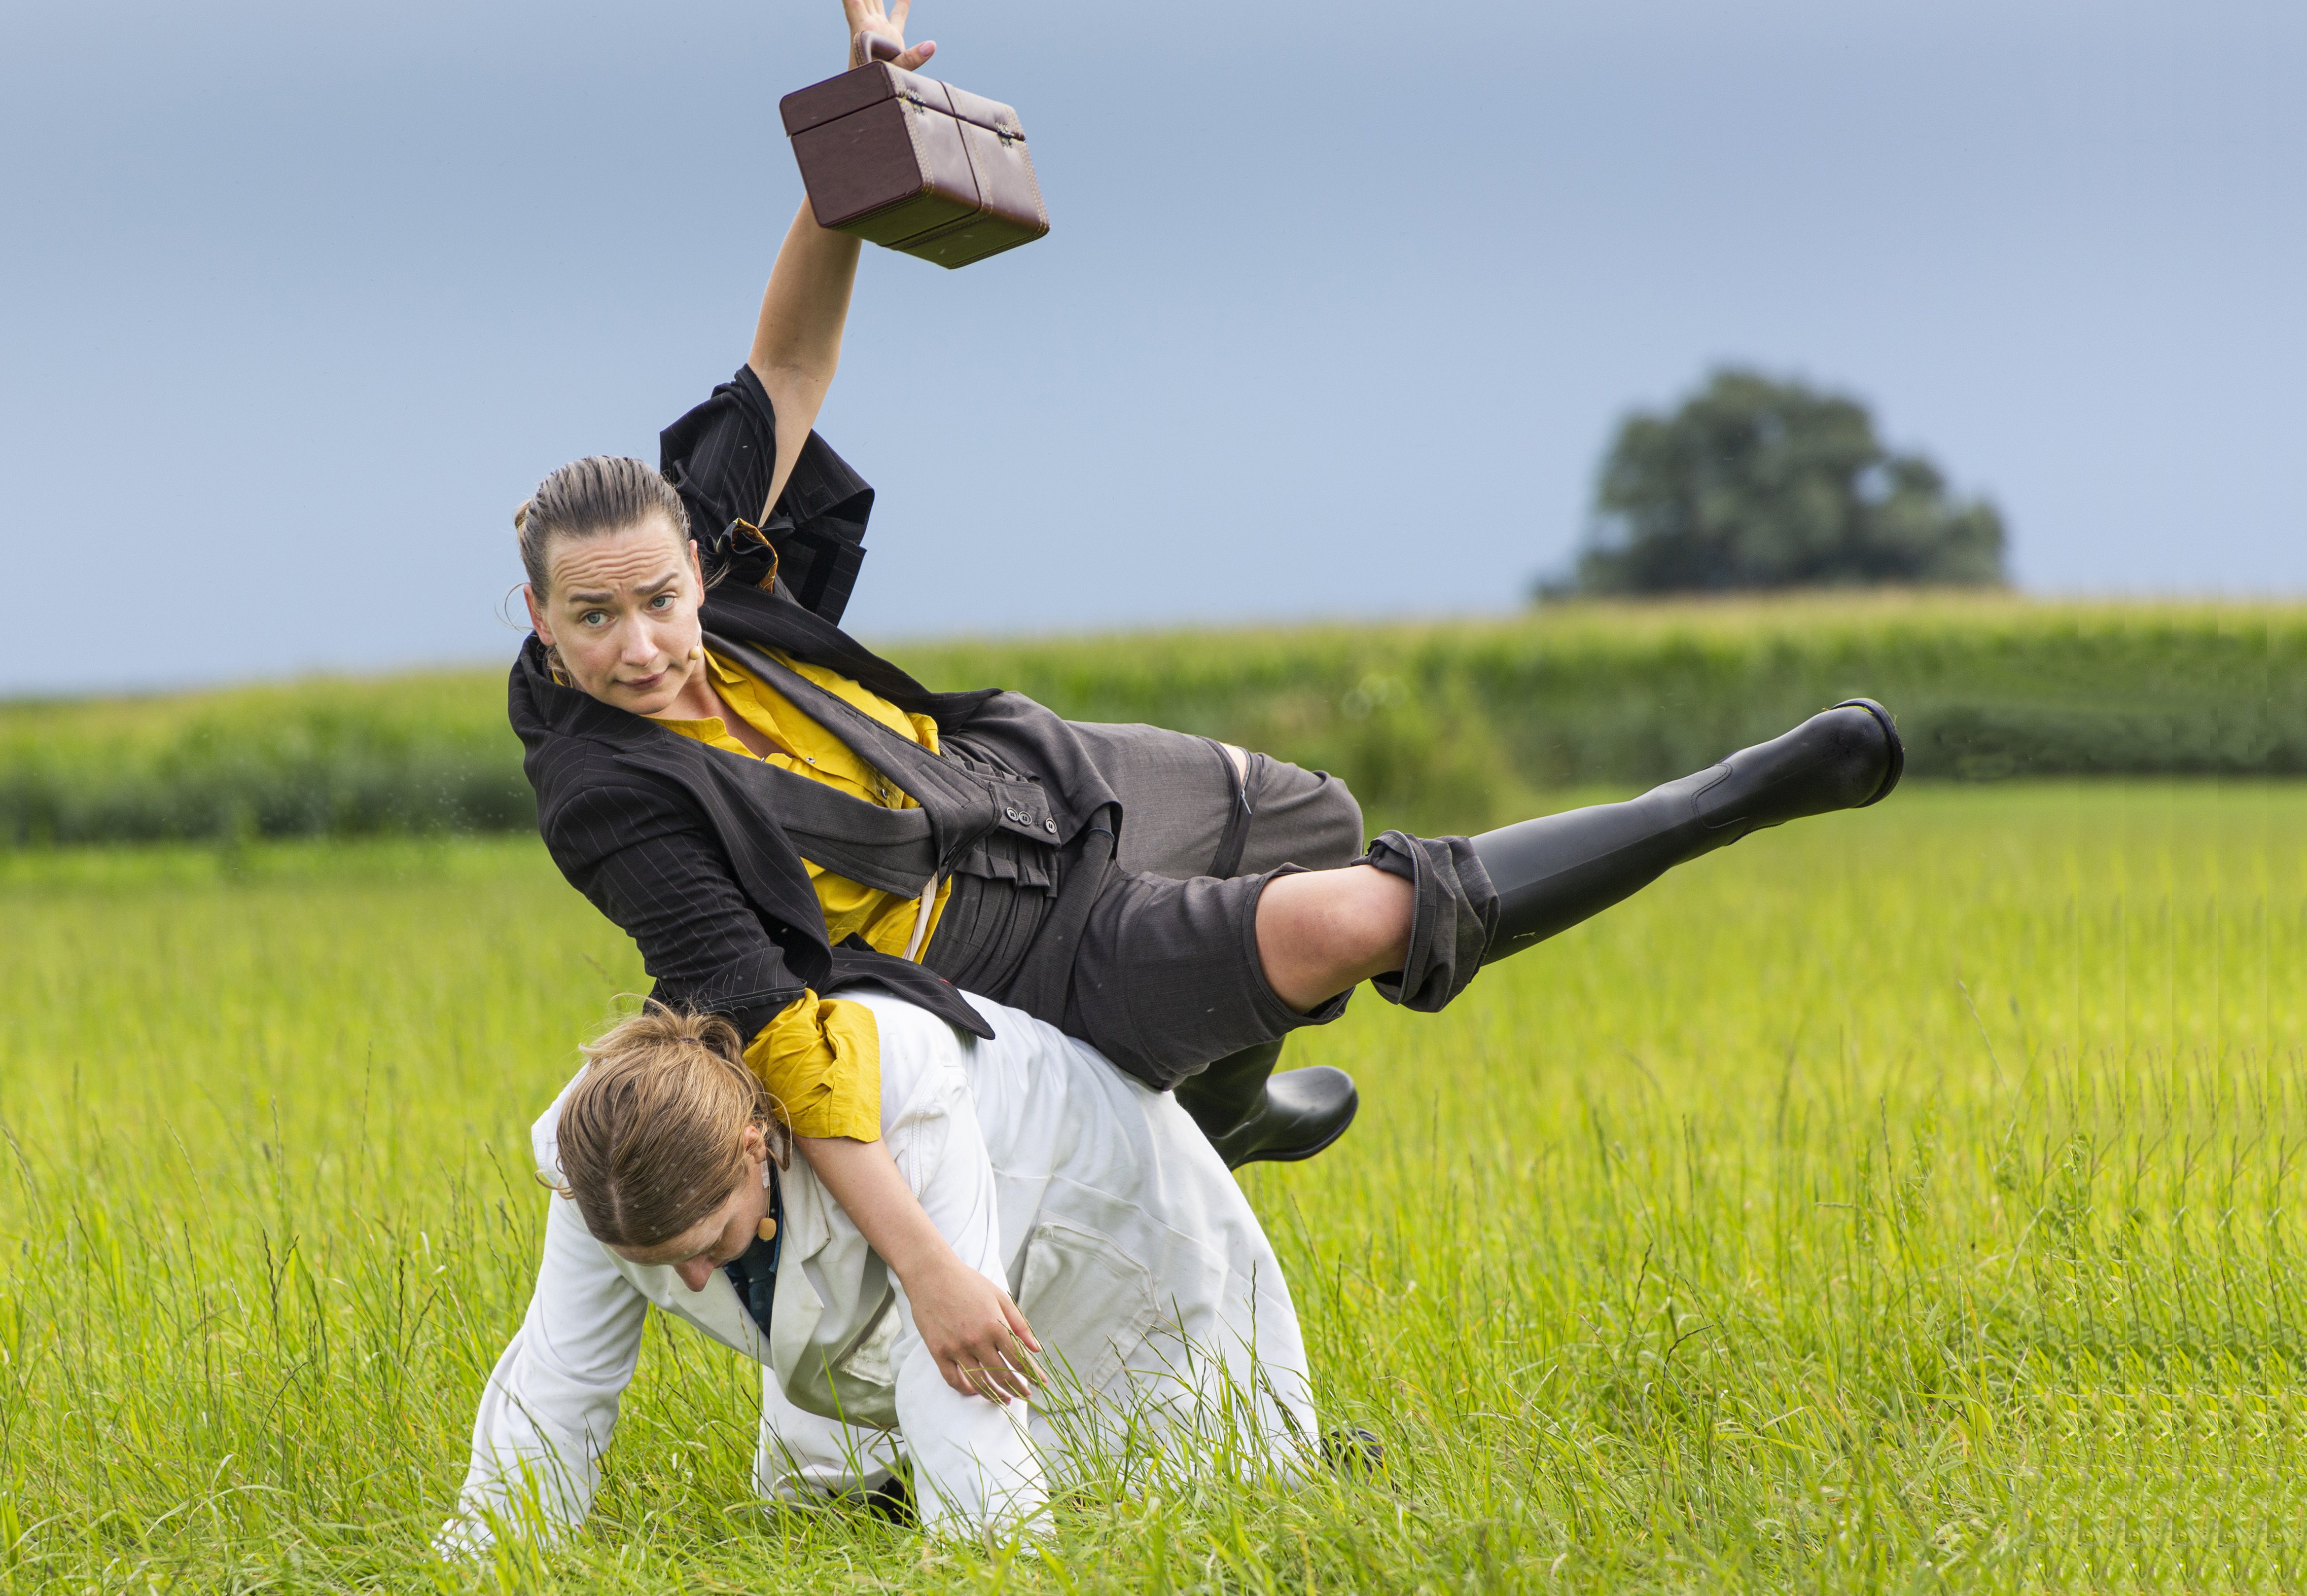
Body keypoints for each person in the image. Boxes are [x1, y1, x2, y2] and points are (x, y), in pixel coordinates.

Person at [508, 0, 1903, 1410]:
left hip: (1014, 779)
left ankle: (1219, 1111)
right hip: (999, 947)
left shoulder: (688, 526)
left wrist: (853, 136)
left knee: (1313, 813)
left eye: (658, 602)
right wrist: (929, 1263)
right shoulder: (607, 797)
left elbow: (789, 366)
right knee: (1355, 915)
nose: (639, 646)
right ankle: (1736, 794)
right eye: (593, 620)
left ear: (694, 560)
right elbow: (777, 1031)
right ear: (537, 617)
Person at [440, 993, 1335, 1548]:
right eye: (664, 1266)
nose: (697, 1282)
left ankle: (1300, 1459)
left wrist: (992, 1566)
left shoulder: (897, 1088)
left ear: (757, 1145)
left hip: (1088, 1193)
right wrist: (489, 1555)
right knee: (827, 1509)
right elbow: (562, 1376)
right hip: (862, 1244)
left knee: (1184, 1481)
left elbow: (957, 1354)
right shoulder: (601, 1162)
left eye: (708, 1245)